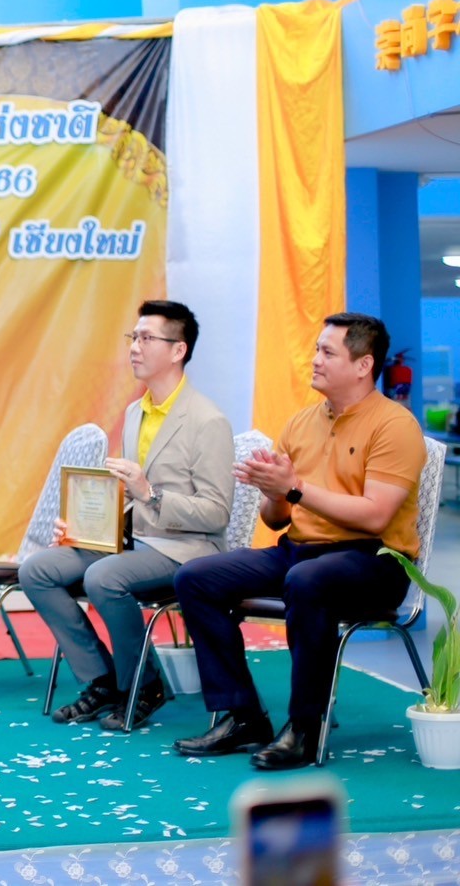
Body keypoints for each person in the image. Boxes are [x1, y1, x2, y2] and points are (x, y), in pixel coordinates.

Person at [173, 313, 426, 770]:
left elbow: (376, 515)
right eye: (316, 350)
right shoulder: (301, 422)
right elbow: (276, 518)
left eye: (328, 352)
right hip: (301, 552)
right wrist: (274, 492)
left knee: (308, 580)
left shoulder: (394, 425)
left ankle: (306, 728)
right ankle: (242, 716)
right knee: (195, 578)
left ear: (364, 365)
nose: (315, 360)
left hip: (375, 559)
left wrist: (295, 489)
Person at [20, 300, 235, 731]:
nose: (135, 347)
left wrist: (150, 492)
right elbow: (130, 497)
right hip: (135, 541)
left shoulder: (208, 420)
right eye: (133, 337)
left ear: (178, 350)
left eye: (146, 338)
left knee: (104, 577)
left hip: (185, 549)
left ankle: (144, 684)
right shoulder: (136, 412)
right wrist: (84, 529)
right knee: (37, 570)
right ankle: (102, 680)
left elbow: (216, 513)